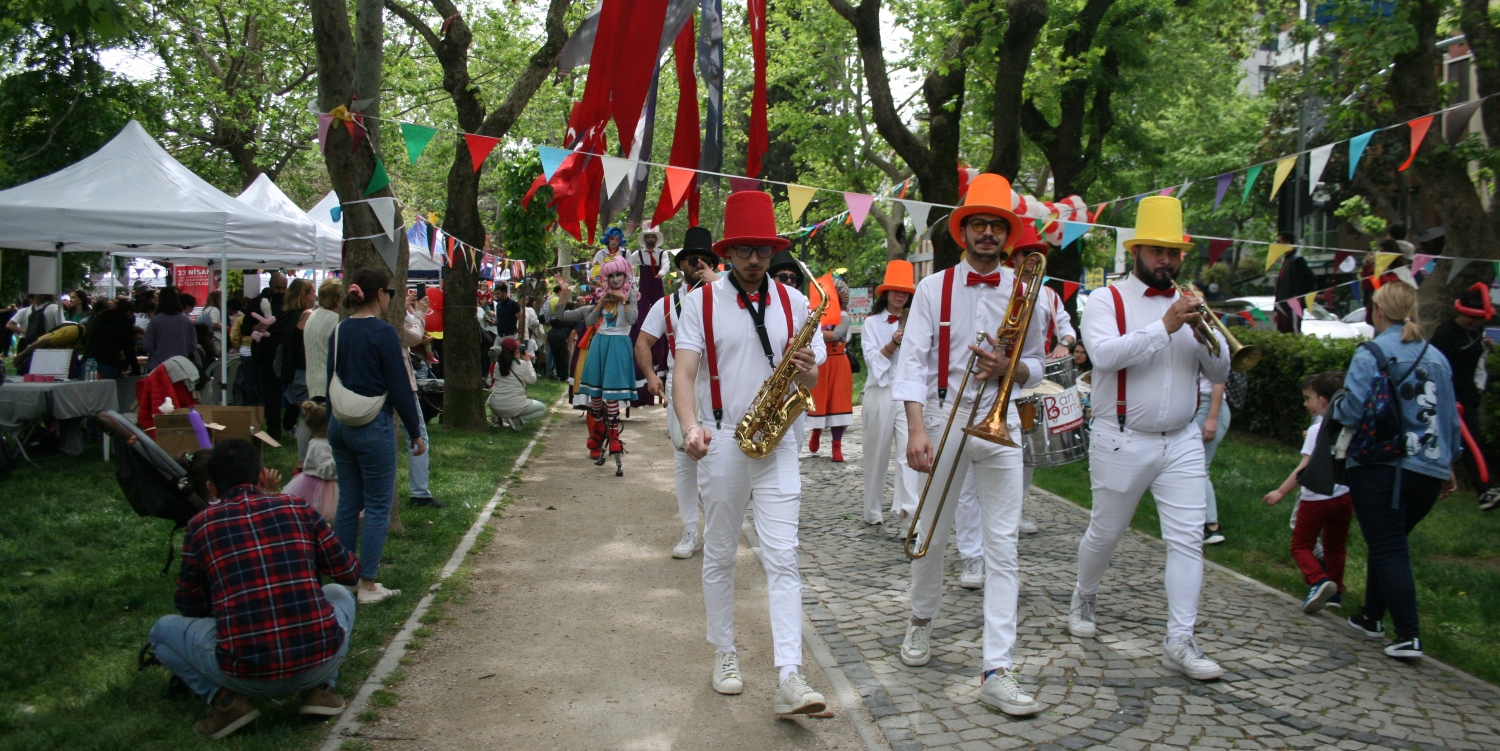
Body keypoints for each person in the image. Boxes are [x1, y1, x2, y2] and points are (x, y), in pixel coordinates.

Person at [890, 173, 1045, 716]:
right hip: (943, 421)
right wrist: (915, 430)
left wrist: (1013, 367)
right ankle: (920, 618)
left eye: (995, 226)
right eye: (977, 224)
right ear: (963, 232)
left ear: (1006, 234)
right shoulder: (933, 289)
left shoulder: (1030, 291)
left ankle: (999, 667)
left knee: (1004, 548)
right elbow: (910, 361)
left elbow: (1040, 364)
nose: (986, 234)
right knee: (930, 532)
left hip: (1001, 429)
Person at [672, 190, 829, 716]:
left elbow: (811, 375)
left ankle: (791, 673)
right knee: (719, 553)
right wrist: (691, 426)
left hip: (778, 442)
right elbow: (685, 373)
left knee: (783, 556)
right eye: (744, 250)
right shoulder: (699, 302)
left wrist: (805, 366)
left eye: (762, 250)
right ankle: (725, 653)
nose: (755, 260)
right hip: (721, 442)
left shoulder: (798, 304)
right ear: (728, 252)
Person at [1070, 195, 1231, 681]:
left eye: (1173, 253)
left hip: (1181, 439)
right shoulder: (1107, 299)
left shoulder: (1189, 304)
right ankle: (1085, 592)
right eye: (1157, 252)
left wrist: (1210, 332)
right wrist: (1165, 326)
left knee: (1187, 542)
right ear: (1137, 251)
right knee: (1106, 531)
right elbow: (1103, 356)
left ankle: (1180, 639)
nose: (1166, 261)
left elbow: (1221, 368)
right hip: (1121, 438)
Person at [148, 439, 357, 739]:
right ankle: (321, 689)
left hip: (244, 673)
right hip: (318, 661)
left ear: (212, 488)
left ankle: (227, 701)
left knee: (161, 632)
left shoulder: (200, 526)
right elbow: (348, 571)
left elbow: (189, 605)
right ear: (261, 477)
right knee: (339, 593)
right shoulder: (298, 508)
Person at [1334, 281, 1461, 660]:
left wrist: (1336, 407)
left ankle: (1409, 634)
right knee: (1388, 540)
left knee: (1388, 546)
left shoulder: (1371, 352)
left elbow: (1353, 410)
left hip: (1383, 465)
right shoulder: (1437, 357)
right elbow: (1450, 418)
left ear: (1377, 310)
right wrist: (1449, 464)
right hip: (1431, 466)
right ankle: (1371, 616)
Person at [327, 268, 427, 605]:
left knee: (348, 502)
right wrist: (415, 431)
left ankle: (343, 579)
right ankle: (368, 582)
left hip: (341, 425)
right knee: (378, 505)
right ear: (381, 294)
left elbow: (331, 380)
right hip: (373, 424)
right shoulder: (384, 333)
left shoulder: (340, 331)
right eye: (391, 293)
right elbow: (399, 387)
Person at [636, 227, 720, 559]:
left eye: (703, 260)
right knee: (684, 459)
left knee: (718, 458)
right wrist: (650, 376)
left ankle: (715, 530)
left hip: (716, 383)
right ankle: (689, 530)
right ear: (681, 264)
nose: (696, 265)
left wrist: (715, 281)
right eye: (690, 260)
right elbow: (643, 342)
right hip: (679, 383)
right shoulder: (667, 304)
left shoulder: (726, 296)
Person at [1262, 370, 1351, 614]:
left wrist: (1281, 491)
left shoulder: (1317, 429)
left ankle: (1318, 580)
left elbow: (1304, 467)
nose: (1305, 404)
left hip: (1316, 497)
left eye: (1308, 398)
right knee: (1336, 546)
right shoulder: (1350, 424)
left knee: (1301, 545)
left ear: (1322, 400)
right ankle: (1337, 594)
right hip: (1344, 495)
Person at [558, 256, 639, 475]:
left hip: (619, 344)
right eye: (611, 275)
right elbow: (589, 322)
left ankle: (613, 433)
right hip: (600, 344)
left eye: (619, 275)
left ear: (625, 275)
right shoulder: (601, 297)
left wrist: (624, 299)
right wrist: (599, 302)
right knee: (594, 395)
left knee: (611, 394)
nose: (614, 279)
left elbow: (632, 319)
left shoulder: (630, 295)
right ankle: (599, 427)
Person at [860, 260, 920, 527]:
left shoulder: (919, 322)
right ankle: (872, 510)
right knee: (876, 455)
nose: (900, 295)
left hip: (908, 394)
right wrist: (893, 343)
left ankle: (909, 512)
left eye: (905, 291)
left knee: (909, 454)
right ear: (886, 293)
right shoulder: (871, 323)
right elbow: (874, 364)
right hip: (880, 393)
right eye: (895, 290)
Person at [1430, 283, 1499, 509]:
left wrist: (1484, 346)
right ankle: (1484, 489)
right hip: (1449, 397)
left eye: (1479, 320)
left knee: (1472, 443)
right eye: (1472, 318)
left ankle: (1486, 488)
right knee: (1460, 444)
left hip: (1468, 396)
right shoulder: (1445, 333)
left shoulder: (1477, 333)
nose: (1476, 323)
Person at [807, 277, 855, 462]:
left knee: (838, 402)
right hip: (822, 362)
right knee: (819, 399)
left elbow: (837, 334)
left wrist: (816, 332)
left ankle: (837, 445)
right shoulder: (815, 314)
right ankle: (816, 432)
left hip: (839, 363)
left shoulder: (843, 317)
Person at [242, 272, 288, 440]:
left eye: (284, 288)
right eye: (278, 288)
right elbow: (244, 328)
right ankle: (274, 429)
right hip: (266, 354)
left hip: (285, 353)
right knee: (271, 394)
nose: (281, 291)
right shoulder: (257, 302)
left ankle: (286, 425)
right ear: (270, 285)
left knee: (287, 394)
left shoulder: (289, 302)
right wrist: (256, 326)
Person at [285, 401, 339, 522]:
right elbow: (325, 472)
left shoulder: (325, 442)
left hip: (325, 484)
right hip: (320, 487)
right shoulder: (319, 445)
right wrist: (339, 456)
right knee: (317, 514)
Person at [280, 279, 316, 443]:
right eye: (313, 291)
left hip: (292, 370)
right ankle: (304, 459)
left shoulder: (287, 315)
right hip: (303, 370)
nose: (315, 295)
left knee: (305, 417)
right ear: (304, 294)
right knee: (311, 419)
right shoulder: (307, 315)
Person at [487, 337, 548, 428]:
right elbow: (533, 380)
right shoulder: (522, 364)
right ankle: (518, 421)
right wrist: (528, 362)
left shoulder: (497, 365)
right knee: (542, 409)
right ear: (516, 350)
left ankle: (499, 420)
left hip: (495, 406)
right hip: (514, 407)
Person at [144, 286, 198, 371]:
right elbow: (193, 345)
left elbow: (148, 345)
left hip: (157, 365)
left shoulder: (155, 320)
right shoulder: (185, 321)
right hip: (180, 366)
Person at [82, 297, 138, 381]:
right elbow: (129, 348)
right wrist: (135, 368)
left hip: (88, 361)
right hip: (108, 364)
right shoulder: (124, 320)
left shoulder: (101, 316)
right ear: (129, 312)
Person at [1272, 231, 1317, 335]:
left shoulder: (1297, 259)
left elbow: (1311, 279)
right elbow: (1281, 287)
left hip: (1292, 306)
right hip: (1282, 307)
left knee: (1293, 335)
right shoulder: (1287, 260)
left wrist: (1298, 297)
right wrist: (1277, 309)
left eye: (1279, 242)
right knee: (1283, 336)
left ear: (1287, 242)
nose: (1277, 245)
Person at [544, 285, 573, 381]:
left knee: (554, 355)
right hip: (558, 332)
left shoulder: (549, 299)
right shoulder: (556, 300)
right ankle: (562, 375)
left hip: (551, 331)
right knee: (562, 356)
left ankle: (555, 374)